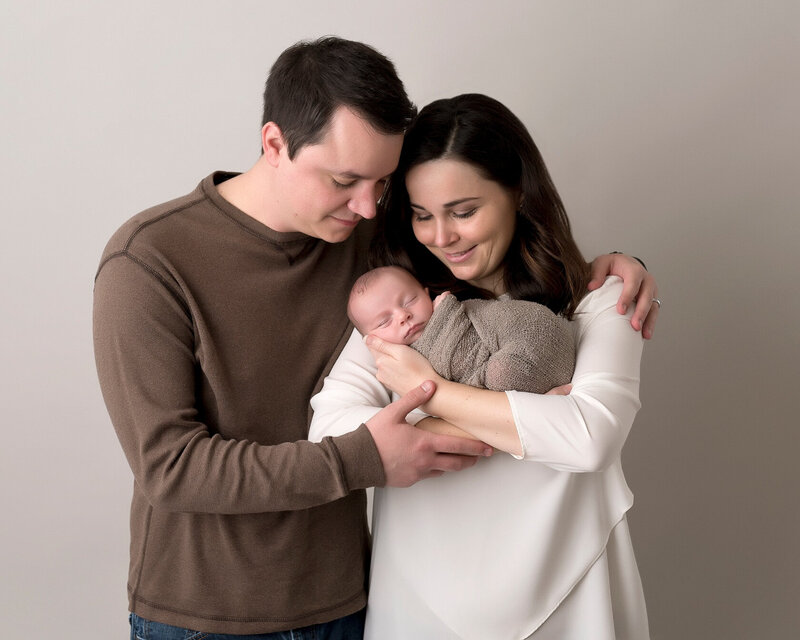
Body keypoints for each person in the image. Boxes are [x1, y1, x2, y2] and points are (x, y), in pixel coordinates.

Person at [93, 35, 657, 638]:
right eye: (345, 180)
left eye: (383, 185)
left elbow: (496, 255)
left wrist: (614, 264)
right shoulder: (150, 260)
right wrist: (490, 420)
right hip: (205, 614)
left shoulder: (378, 253)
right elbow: (171, 467)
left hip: (345, 599)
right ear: (274, 143)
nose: (367, 207)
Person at [309, 94, 654, 638]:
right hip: (417, 604)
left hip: (569, 599)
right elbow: (329, 432)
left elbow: (590, 438)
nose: (442, 237)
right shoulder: (401, 316)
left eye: (463, 212)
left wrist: (430, 401)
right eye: (422, 215)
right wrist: (530, 416)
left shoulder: (598, 300)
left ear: (517, 193)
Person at [348, 265, 575, 394]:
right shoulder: (391, 366)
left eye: (409, 301)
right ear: (370, 340)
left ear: (428, 295)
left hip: (535, 338)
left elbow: (466, 362)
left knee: (502, 373)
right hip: (524, 356)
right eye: (384, 321)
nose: (402, 315)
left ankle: (540, 397)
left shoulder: (450, 315)